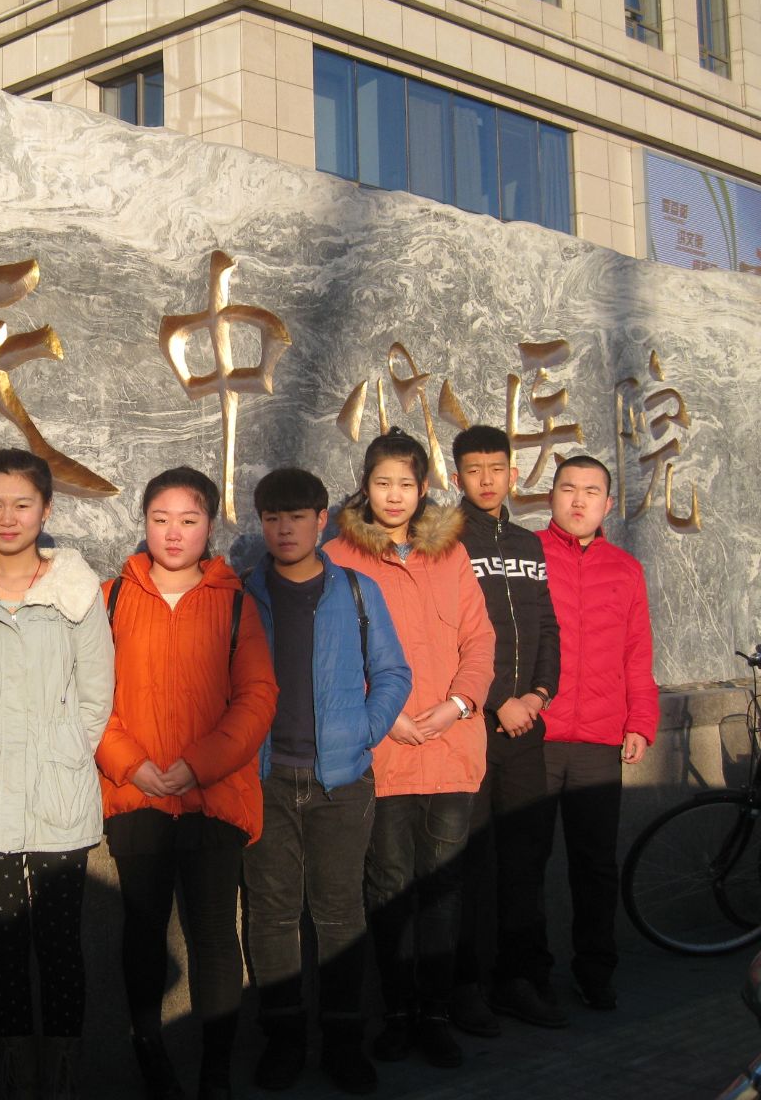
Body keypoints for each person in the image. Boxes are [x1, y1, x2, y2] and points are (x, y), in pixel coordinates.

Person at [0, 449, 115, 1100]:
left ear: (46, 509)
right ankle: (17, 1075)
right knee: (3, 944)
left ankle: (61, 1078)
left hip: (58, 793)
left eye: (22, 504)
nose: (8, 518)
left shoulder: (74, 586)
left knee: (60, 944)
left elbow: (95, 695)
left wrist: (63, 750)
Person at [97, 466, 278, 1100]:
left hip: (214, 796)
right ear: (144, 523)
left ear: (210, 526)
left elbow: (257, 697)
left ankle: (215, 1074)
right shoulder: (110, 598)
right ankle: (151, 1060)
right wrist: (132, 763)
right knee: (143, 930)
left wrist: (198, 765)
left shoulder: (235, 602)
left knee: (213, 935)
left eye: (189, 519)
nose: (174, 533)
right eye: (161, 519)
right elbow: (86, 696)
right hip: (138, 796)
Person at [326, 428, 496, 1070]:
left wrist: (458, 704)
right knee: (389, 886)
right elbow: (334, 654)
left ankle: (436, 1014)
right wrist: (385, 716)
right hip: (384, 752)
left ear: (423, 488)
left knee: (443, 889)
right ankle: (396, 1013)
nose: (394, 496)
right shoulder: (339, 555)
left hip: (451, 748)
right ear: (365, 487)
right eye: (382, 483)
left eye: (405, 484)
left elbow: (479, 640)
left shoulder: (450, 552)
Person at [240, 468, 412, 1095]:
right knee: (272, 914)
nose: (284, 530)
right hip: (266, 780)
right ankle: (284, 1040)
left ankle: (344, 1042)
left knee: (340, 912)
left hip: (341, 781)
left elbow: (393, 673)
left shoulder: (358, 592)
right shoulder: (243, 594)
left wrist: (363, 730)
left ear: (321, 521)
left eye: (297, 517)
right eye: (272, 518)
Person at [447, 425, 566, 1035]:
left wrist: (539, 695)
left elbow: (546, 627)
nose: (487, 480)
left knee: (524, 859)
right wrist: (498, 703)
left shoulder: (527, 543)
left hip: (526, 731)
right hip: (473, 728)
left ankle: (519, 979)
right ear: (457, 477)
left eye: (497, 468)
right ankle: (464, 986)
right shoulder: (448, 540)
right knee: (468, 865)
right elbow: (450, 636)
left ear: (513, 474)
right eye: (474, 470)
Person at [537, 454, 659, 1012]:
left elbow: (637, 652)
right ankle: (527, 972)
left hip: (599, 740)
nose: (579, 500)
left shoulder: (625, 569)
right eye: (568, 489)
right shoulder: (529, 556)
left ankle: (595, 970)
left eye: (591, 492)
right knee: (525, 862)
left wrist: (641, 721)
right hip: (536, 736)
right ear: (551, 497)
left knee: (595, 866)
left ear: (608, 504)